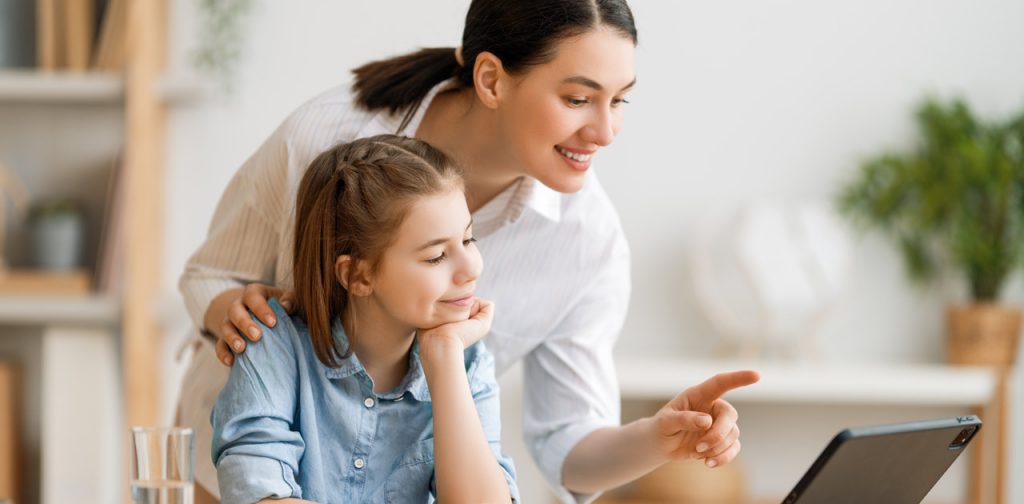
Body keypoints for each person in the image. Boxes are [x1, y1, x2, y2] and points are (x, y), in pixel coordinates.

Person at [178, 1, 760, 502]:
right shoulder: (327, 138)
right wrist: (241, 317)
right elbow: (210, 271)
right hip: (234, 469)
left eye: (620, 101)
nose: (606, 131)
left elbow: (568, 440)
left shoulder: (587, 244)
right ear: (491, 80)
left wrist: (659, 437)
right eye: (580, 98)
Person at [211, 135, 518, 503]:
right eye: (436, 255)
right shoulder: (274, 345)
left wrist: (445, 357)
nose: (472, 268)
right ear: (358, 276)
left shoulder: (467, 363)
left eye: (469, 240)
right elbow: (259, 493)